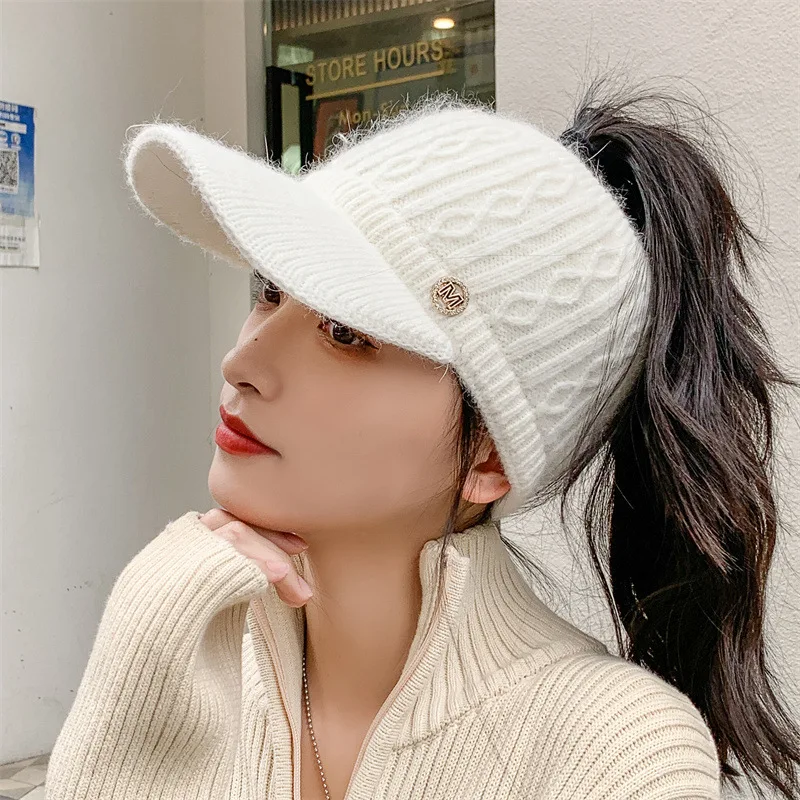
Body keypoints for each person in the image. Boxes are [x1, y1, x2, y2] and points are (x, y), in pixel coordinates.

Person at [45, 76, 799, 800]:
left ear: (489, 455)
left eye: (345, 333)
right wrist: (139, 655)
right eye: (270, 292)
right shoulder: (187, 647)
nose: (243, 362)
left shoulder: (614, 752)